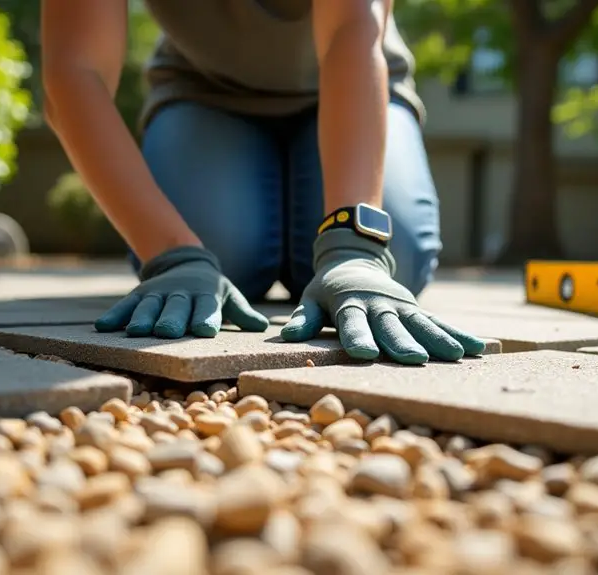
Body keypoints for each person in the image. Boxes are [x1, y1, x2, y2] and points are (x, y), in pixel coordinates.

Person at [40, 0, 485, 365]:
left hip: (355, 79)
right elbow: (75, 70)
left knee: (396, 256)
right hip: (204, 93)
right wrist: (171, 254)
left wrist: (354, 247)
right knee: (213, 259)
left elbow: (349, 29)